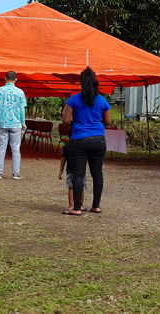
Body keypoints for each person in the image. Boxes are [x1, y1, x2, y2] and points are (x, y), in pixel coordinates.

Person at [61, 67, 112, 215]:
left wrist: (76, 124)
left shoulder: (74, 99)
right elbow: (108, 122)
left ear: (80, 83)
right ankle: (96, 206)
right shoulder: (102, 100)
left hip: (79, 139)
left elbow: (65, 120)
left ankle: (76, 208)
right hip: (99, 139)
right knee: (97, 173)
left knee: (78, 174)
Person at [0, 71, 27, 180]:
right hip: (16, 123)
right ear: (16, 79)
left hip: (2, 123)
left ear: (4, 78)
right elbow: (22, 109)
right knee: (16, 149)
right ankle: (16, 173)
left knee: (1, 148)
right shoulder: (20, 92)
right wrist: (23, 122)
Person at [59, 142, 87, 214]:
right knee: (81, 186)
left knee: (71, 187)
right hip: (81, 170)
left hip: (71, 170)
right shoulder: (83, 144)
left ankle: (71, 205)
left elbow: (63, 158)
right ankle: (81, 205)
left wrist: (61, 171)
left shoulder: (67, 145)